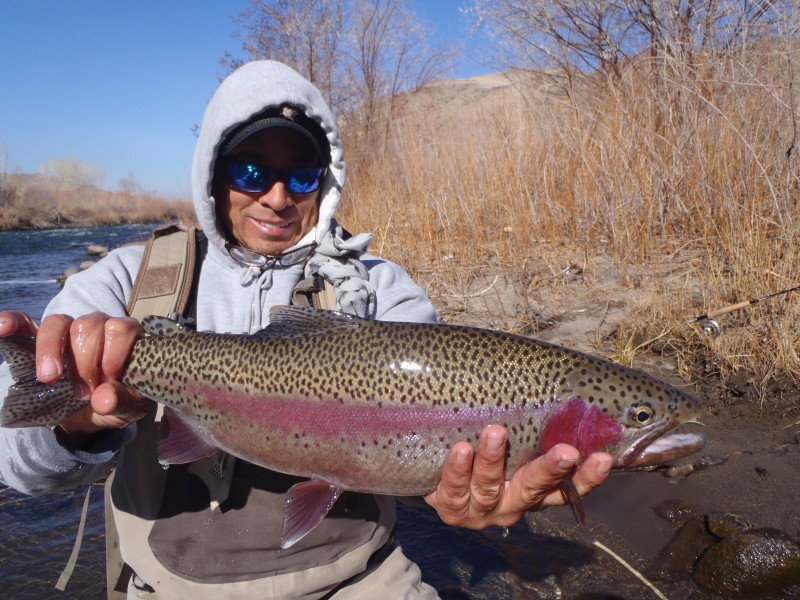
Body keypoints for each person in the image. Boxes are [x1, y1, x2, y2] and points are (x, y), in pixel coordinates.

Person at [0, 61, 611, 598]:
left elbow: (434, 450)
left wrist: (458, 496)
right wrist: (78, 423)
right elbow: (19, 469)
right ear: (213, 177)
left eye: (301, 176)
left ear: (326, 181)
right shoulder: (126, 282)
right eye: (249, 170)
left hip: (358, 579)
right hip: (169, 586)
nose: (276, 197)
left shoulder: (381, 290)